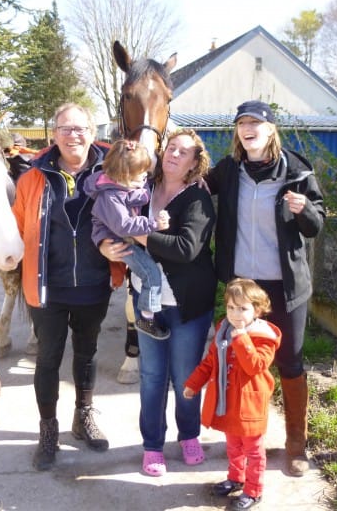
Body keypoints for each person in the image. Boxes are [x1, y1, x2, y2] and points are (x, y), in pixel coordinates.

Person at [206, 100, 325, 477]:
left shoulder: (298, 171)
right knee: (240, 363)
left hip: (285, 286)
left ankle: (295, 445)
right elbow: (188, 188)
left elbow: (316, 225)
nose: (248, 127)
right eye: (241, 122)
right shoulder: (228, 170)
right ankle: (242, 438)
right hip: (243, 288)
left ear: (271, 129)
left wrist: (304, 208)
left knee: (289, 362)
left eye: (256, 122)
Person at [100, 128, 217, 478]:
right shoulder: (141, 187)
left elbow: (185, 249)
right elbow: (107, 213)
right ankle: (152, 446)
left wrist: (135, 232)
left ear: (196, 163)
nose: (173, 154)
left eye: (183, 152)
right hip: (146, 300)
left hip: (187, 305)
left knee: (185, 376)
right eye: (170, 148)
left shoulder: (198, 199)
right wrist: (106, 245)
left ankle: (189, 436)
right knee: (151, 377)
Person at [11, 102, 120, 471]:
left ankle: (83, 416)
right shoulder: (32, 178)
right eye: (65, 128)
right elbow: (13, 231)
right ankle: (48, 429)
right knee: (47, 358)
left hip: (94, 283)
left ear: (93, 131)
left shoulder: (112, 170)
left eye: (80, 128)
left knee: (87, 353)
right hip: (48, 288)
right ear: (54, 134)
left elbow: (153, 180)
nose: (73, 135)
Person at [184, 278, 281, 511]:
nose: (236, 314)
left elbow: (255, 365)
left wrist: (241, 338)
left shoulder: (263, 337)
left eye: (243, 308)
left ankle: (253, 490)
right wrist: (193, 384)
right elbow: (210, 362)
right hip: (227, 402)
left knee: (254, 451)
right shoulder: (222, 330)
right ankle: (236, 478)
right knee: (233, 446)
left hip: (249, 405)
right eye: (231, 307)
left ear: (257, 310)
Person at [84, 139, 171, 340]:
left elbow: (138, 195)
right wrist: (154, 224)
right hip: (117, 240)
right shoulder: (110, 197)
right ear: (123, 175)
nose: (144, 176)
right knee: (150, 274)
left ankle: (151, 307)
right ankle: (147, 317)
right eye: (140, 173)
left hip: (123, 236)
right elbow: (124, 225)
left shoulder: (122, 186)